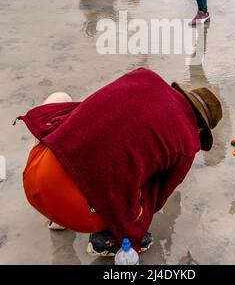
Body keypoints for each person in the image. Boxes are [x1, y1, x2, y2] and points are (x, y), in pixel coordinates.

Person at [15, 67, 222, 256]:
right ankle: (105, 240)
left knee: (61, 100)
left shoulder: (144, 77)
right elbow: (156, 199)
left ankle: (57, 218)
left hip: (35, 180)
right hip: (79, 213)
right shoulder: (186, 144)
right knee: (143, 185)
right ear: (200, 129)